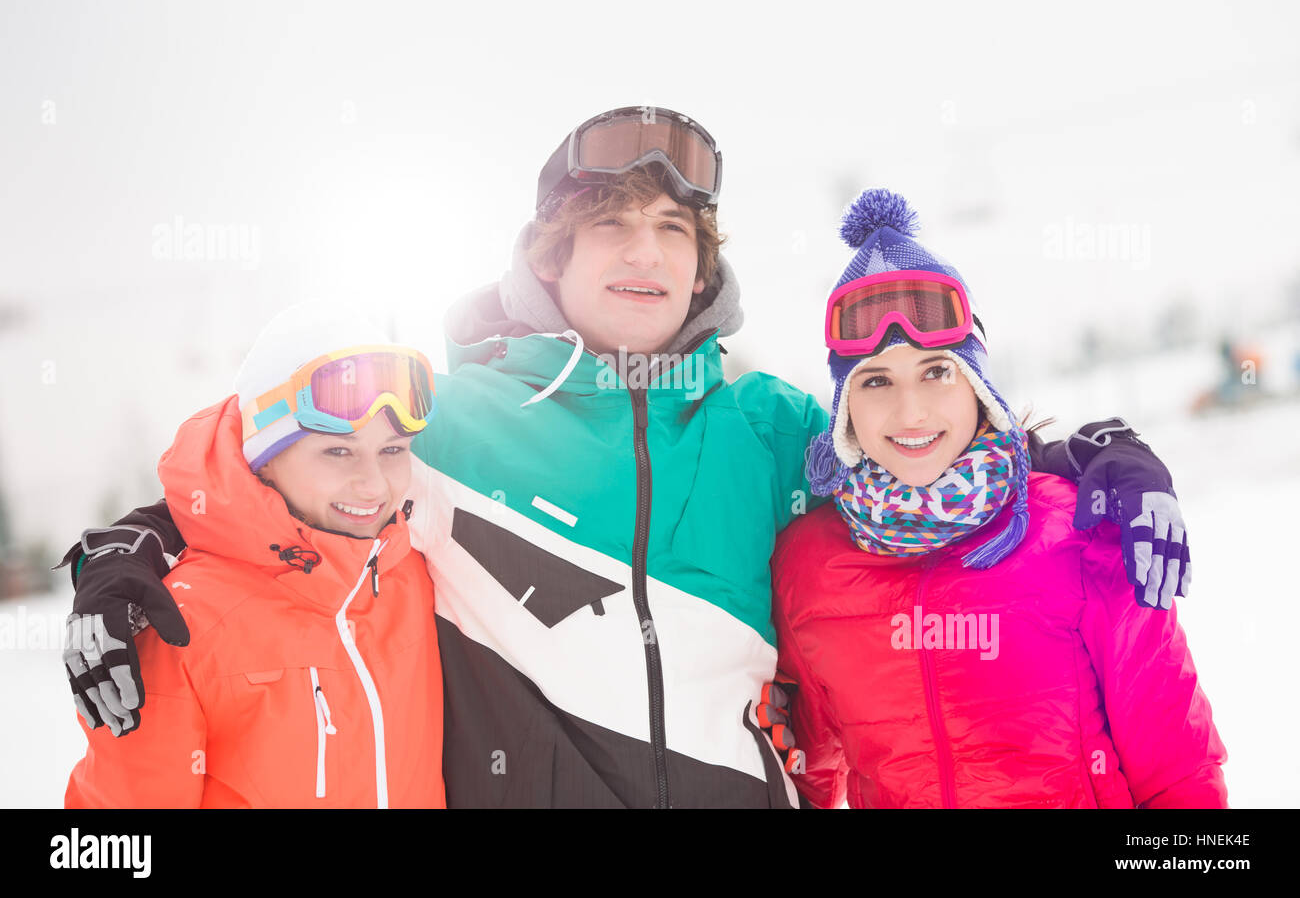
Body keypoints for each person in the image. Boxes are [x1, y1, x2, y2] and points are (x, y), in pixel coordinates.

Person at [60, 108, 1193, 808]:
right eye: (611, 224)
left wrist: (1097, 453)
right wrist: (130, 548)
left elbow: (918, 432)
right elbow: (280, 456)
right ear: (551, 255)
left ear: (704, 266)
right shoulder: (445, 419)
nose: (644, 254)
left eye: (673, 230)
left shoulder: (772, 423)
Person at [767, 190, 1226, 808]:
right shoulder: (809, 566)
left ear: (979, 387)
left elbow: (1180, 775)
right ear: (846, 411)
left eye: (937, 372)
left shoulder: (1082, 530)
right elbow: (811, 780)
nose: (910, 411)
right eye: (876, 382)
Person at [65, 303, 445, 807]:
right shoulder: (179, 624)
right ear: (262, 460)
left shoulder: (421, 570)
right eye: (337, 451)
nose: (374, 484)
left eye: (393, 451)